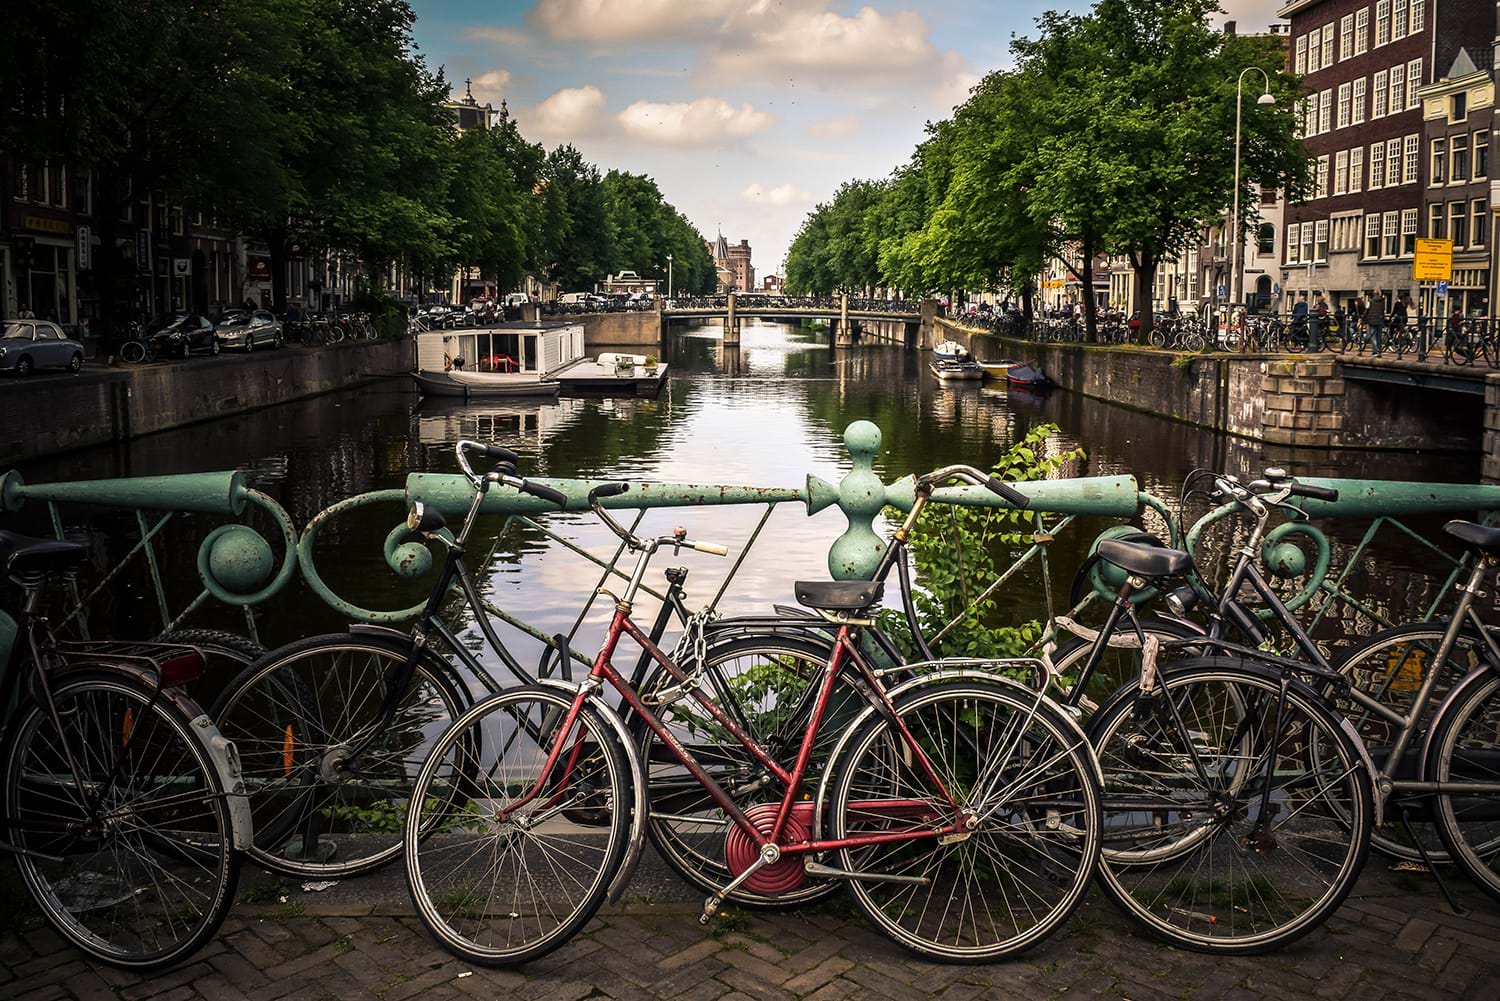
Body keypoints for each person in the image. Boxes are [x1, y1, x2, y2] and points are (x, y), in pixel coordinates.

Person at [1363, 288, 1386, 355]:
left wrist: (1363, 317)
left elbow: (1366, 310)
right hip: (1380, 320)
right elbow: (1382, 311)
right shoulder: (1383, 302)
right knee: (1379, 336)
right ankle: (1377, 350)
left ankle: (1376, 350)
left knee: (1373, 336)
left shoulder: (1370, 301)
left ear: (1373, 294)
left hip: (1372, 320)